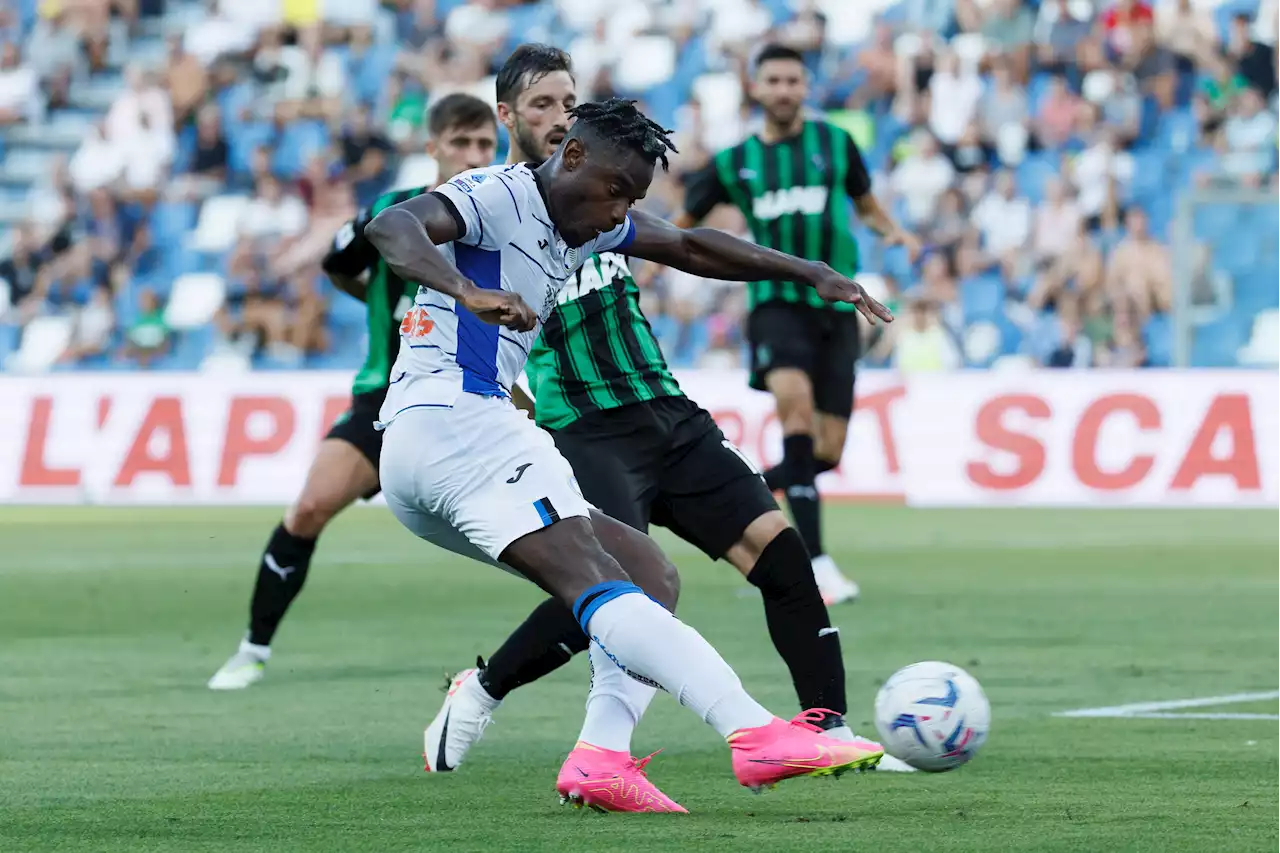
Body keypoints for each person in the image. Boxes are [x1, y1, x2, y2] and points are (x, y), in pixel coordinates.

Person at [363, 97, 895, 812]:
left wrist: (809, 272)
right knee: (599, 586)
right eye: (617, 191)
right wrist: (467, 290)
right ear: (573, 157)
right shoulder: (499, 193)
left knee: (646, 571)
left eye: (633, 199)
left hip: (435, 449)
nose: (620, 212)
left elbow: (689, 245)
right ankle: (752, 731)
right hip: (455, 420)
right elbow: (391, 225)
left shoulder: (585, 227)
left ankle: (601, 756)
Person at [207, 94, 500, 690]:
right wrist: (373, 302)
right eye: (461, 143)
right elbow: (340, 262)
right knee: (309, 508)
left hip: (478, 400)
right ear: (434, 149)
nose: (474, 156)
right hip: (385, 398)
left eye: (485, 145)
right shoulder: (392, 211)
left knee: (543, 534)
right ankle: (253, 648)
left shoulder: (511, 219)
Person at [676, 44, 921, 606]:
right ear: (755, 89)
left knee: (824, 451)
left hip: (840, 310)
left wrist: (894, 233)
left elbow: (865, 203)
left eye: (793, 80)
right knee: (799, 415)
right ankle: (816, 562)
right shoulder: (735, 162)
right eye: (774, 80)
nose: (784, 89)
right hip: (775, 303)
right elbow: (683, 225)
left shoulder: (836, 144)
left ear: (806, 88)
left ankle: (732, 495)